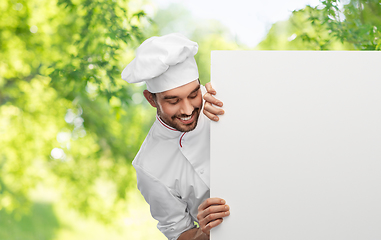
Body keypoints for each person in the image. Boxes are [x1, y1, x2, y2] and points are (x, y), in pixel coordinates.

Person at [122, 33, 229, 240]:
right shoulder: (149, 166)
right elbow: (179, 234)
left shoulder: (222, 102)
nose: (188, 109)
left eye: (193, 94)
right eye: (173, 101)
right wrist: (204, 232)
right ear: (151, 99)